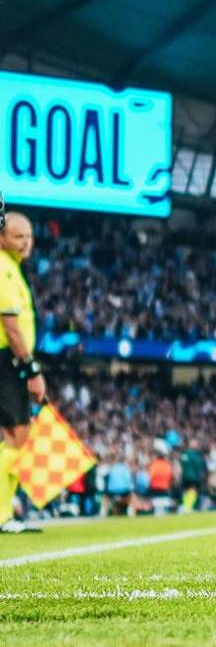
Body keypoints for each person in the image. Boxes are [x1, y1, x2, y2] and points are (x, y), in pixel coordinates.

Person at [0, 211, 46, 533]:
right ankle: (2, 516)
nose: (26, 242)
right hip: (6, 361)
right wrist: (32, 371)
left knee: (14, 438)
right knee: (17, 437)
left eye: (29, 236)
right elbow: (12, 329)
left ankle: (5, 514)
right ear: (1, 238)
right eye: (19, 236)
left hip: (8, 360)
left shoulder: (12, 268)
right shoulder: (2, 268)